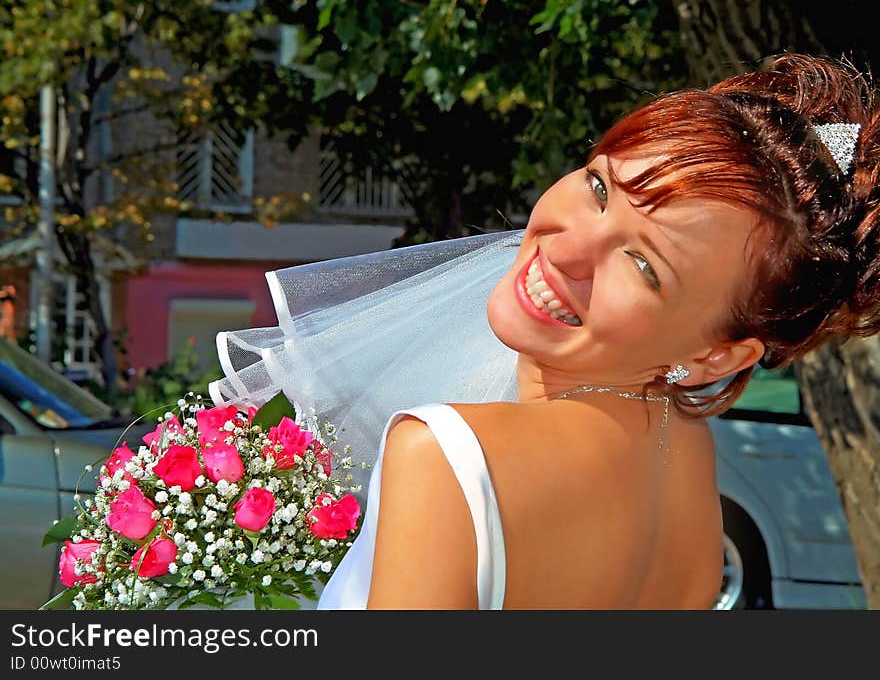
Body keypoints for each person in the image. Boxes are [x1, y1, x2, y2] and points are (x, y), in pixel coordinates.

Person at [211, 53, 880, 609]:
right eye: (599, 188)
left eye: (644, 264)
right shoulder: (687, 458)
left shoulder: (446, 456)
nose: (566, 249)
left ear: (715, 355)